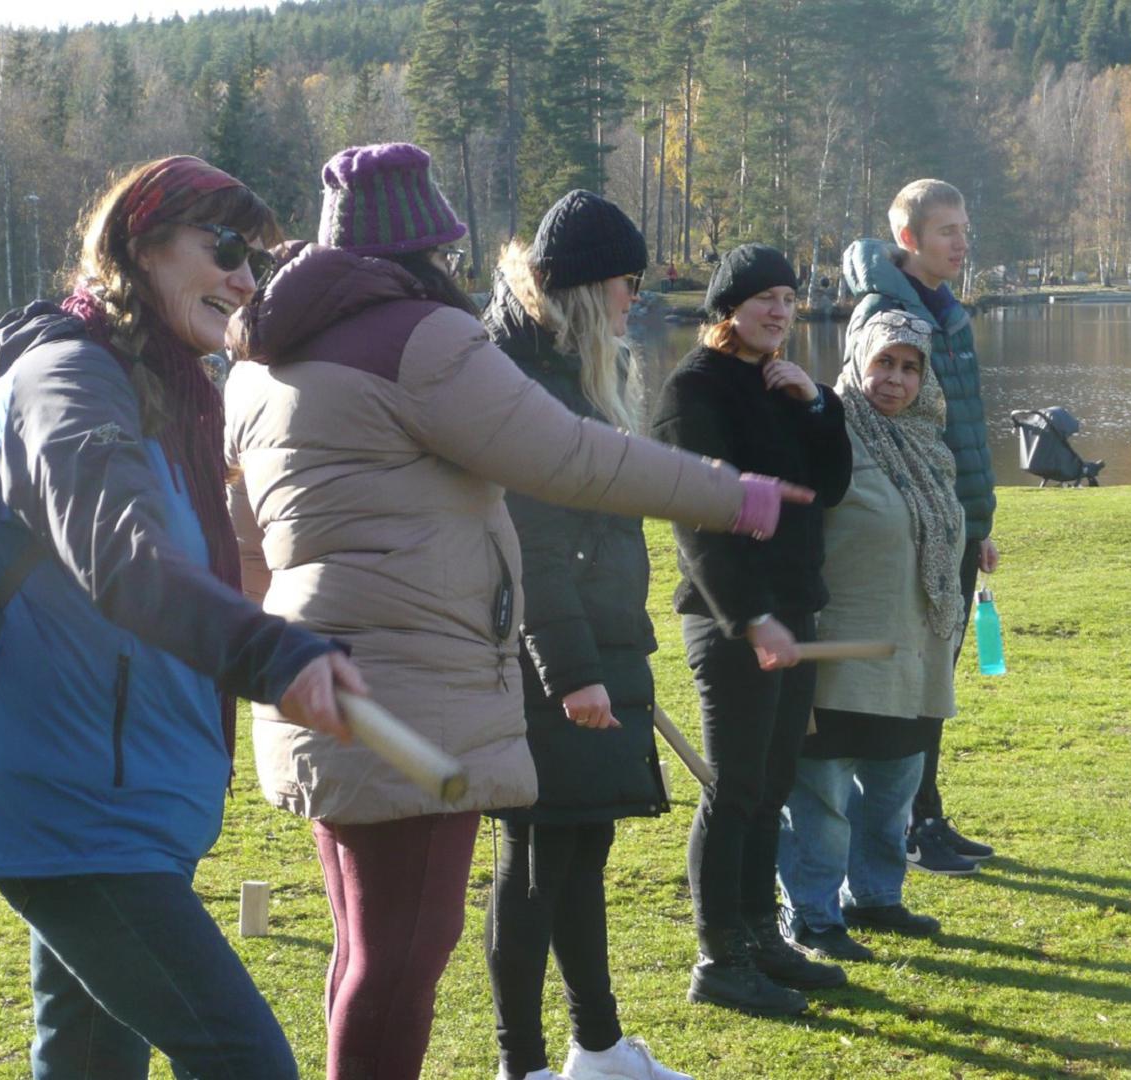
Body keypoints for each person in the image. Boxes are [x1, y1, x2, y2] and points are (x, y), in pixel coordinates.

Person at [222, 143, 800, 1080]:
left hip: (318, 680)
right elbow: (570, 463)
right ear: (422, 249)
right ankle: (531, 1059)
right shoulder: (422, 340)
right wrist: (730, 494)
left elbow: (247, 539)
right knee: (404, 955)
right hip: (413, 684)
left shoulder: (260, 359)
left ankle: (585, 1048)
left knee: (363, 949)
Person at [0, 154, 365, 1080]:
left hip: (137, 802)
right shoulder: (67, 380)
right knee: (244, 1058)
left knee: (90, 1060)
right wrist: (270, 656)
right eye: (223, 248)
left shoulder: (175, 397)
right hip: (73, 805)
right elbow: (122, 557)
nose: (244, 278)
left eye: (254, 259)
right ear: (141, 245)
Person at [480, 189, 687, 1080]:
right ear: (582, 287)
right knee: (534, 857)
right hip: (550, 661)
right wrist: (570, 669)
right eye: (624, 282)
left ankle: (596, 1048)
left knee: (581, 847)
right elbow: (529, 539)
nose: (632, 300)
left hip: (598, 646)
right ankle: (519, 1064)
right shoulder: (522, 377)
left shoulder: (569, 373)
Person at [651, 243, 853, 1018]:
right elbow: (698, 521)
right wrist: (750, 618)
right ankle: (718, 957)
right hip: (731, 619)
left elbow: (828, 487)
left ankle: (762, 938)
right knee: (733, 788)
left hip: (792, 610)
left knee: (771, 785)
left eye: (788, 297)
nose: (779, 311)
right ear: (726, 307)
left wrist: (816, 403)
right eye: (763, 297)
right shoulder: (693, 390)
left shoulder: (782, 384)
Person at [777, 310, 964, 963]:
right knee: (822, 792)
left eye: (909, 366)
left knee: (893, 783)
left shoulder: (928, 442)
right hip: (841, 647)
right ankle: (812, 914)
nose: (895, 379)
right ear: (857, 359)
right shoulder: (825, 430)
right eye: (883, 361)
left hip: (914, 652)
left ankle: (876, 897)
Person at [841, 179, 999, 875]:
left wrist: (975, 522)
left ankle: (926, 813)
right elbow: (874, 426)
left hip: (950, 519)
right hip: (909, 527)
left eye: (964, 229)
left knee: (936, 673)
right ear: (908, 239)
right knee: (914, 676)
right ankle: (909, 823)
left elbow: (958, 428)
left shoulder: (946, 311)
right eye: (946, 231)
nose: (960, 243)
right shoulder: (885, 313)